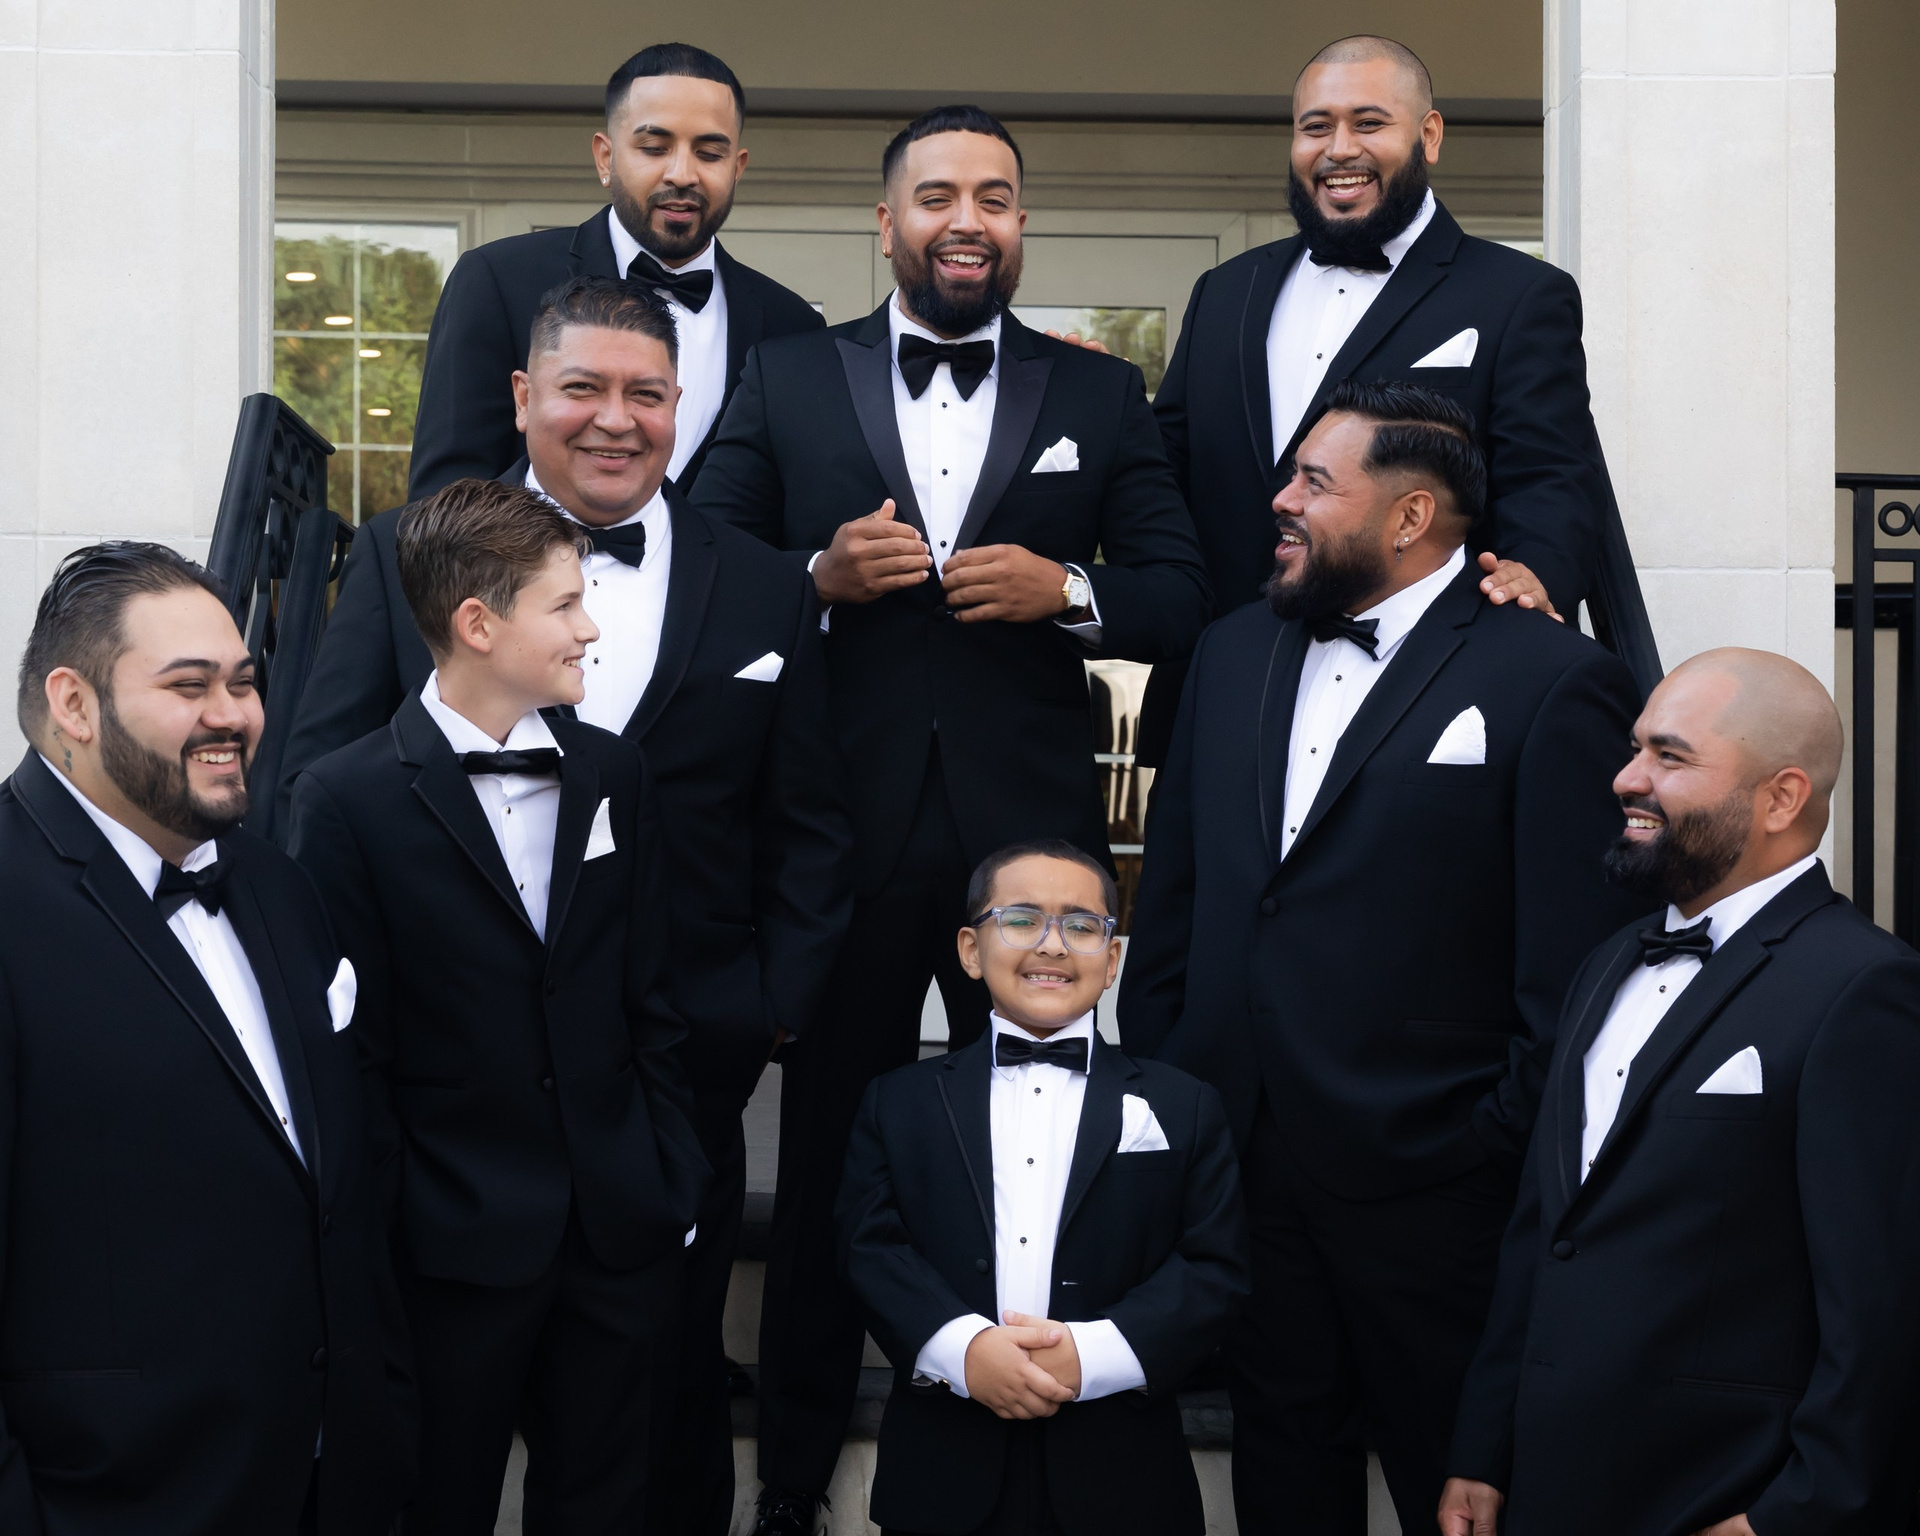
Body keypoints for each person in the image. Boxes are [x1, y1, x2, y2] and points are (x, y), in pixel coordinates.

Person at [690, 102, 1212, 1533]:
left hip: (1027, 853)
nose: (965, 219)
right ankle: (793, 1485)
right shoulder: (790, 375)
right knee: (824, 1174)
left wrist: (1071, 591)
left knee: (1042, 1158)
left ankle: (1046, 1449)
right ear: (888, 223)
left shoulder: (1099, 392)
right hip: (838, 842)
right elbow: (705, 561)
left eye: (993, 196)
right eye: (936, 195)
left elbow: (1181, 587)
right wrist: (813, 576)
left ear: (1021, 223)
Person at [281, 274, 852, 1534]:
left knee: (654, 1449)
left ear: (681, 405)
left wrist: (759, 1017)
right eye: (583, 388)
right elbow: (321, 786)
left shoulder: (769, 585)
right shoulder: (404, 552)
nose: (615, 418)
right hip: (452, 1140)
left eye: (647, 393)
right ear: (522, 396)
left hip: (666, 1095)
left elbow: (809, 825)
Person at [1119, 381, 1646, 1533]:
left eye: (1315, 482)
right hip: (1246, 1171)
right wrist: (1177, 1087)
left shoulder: (1551, 678)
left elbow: (1577, 970)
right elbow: (1177, 901)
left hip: (1439, 1193)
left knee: (1459, 1490)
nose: (1281, 500)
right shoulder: (1229, 651)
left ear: (1410, 517)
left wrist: (1483, 1141)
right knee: (1281, 1481)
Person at [286, 478, 708, 1534]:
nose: (589, 628)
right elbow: (351, 1054)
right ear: (478, 624)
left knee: (607, 1506)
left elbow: (649, 997)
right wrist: (393, 1227)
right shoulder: (344, 800)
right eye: (564, 605)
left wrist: (667, 1170)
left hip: (615, 1228)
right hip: (447, 1244)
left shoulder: (615, 774)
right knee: (439, 1503)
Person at [1443, 650, 1920, 1536]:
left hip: (1718, 1497)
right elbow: (1545, 1233)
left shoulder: (1865, 988)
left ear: (1781, 798)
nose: (1627, 778)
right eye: (1636, 749)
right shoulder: (1605, 965)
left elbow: (1882, 1300)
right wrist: (1482, 1448)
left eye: (1669, 755)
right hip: (1547, 1487)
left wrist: (1794, 1514)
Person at [0, 543, 414, 1535]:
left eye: (242, 682)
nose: (233, 714)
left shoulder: (278, 886)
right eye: (189, 686)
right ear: (74, 704)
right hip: (107, 1503)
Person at [1138, 32, 1615, 765]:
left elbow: (1550, 472)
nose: (1339, 149)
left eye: (1368, 123)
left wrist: (1535, 577)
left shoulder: (1519, 294)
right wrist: (1094, 407)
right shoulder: (1226, 291)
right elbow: (1162, 467)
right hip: (1223, 680)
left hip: (1421, 687)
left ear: (1429, 136)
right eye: (1315, 126)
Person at [838, 841, 1248, 1536]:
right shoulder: (898, 1101)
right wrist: (963, 1348)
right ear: (971, 950)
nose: (1052, 944)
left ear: (1112, 960)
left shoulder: (1186, 1105)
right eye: (1022, 920)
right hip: (943, 1472)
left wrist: (1092, 1356)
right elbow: (868, 1246)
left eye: (1081, 925)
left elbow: (1214, 1264)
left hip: (1123, 1477)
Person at [408, 42, 823, 497]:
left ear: (737, 168)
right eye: (654, 148)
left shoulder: (792, 325)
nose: (682, 174)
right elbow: (445, 497)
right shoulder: (497, 280)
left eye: (709, 154)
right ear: (605, 158)